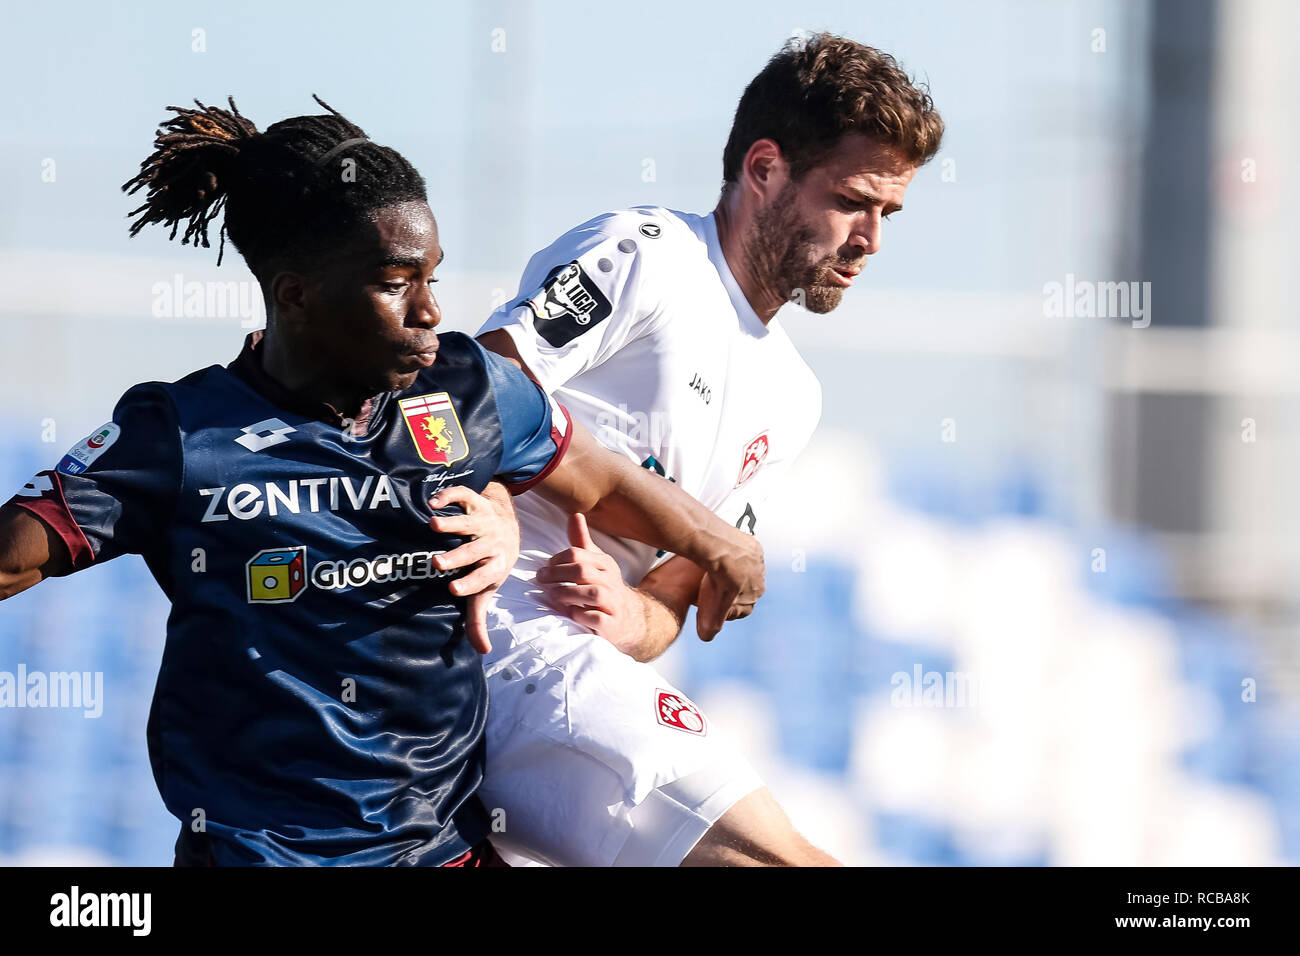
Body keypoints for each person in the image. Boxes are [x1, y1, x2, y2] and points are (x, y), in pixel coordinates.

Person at [0, 97, 763, 866]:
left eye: (432, 276)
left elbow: (597, 480)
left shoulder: (469, 389)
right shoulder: (183, 433)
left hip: (441, 851)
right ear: (296, 295)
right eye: (396, 282)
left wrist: (719, 542)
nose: (430, 309)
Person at [476, 33, 945, 866]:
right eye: (852, 201)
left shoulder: (795, 399)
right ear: (764, 169)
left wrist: (631, 617)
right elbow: (479, 392)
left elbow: (674, 598)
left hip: (580, 665)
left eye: (889, 213)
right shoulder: (644, 256)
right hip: (496, 641)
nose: (871, 239)